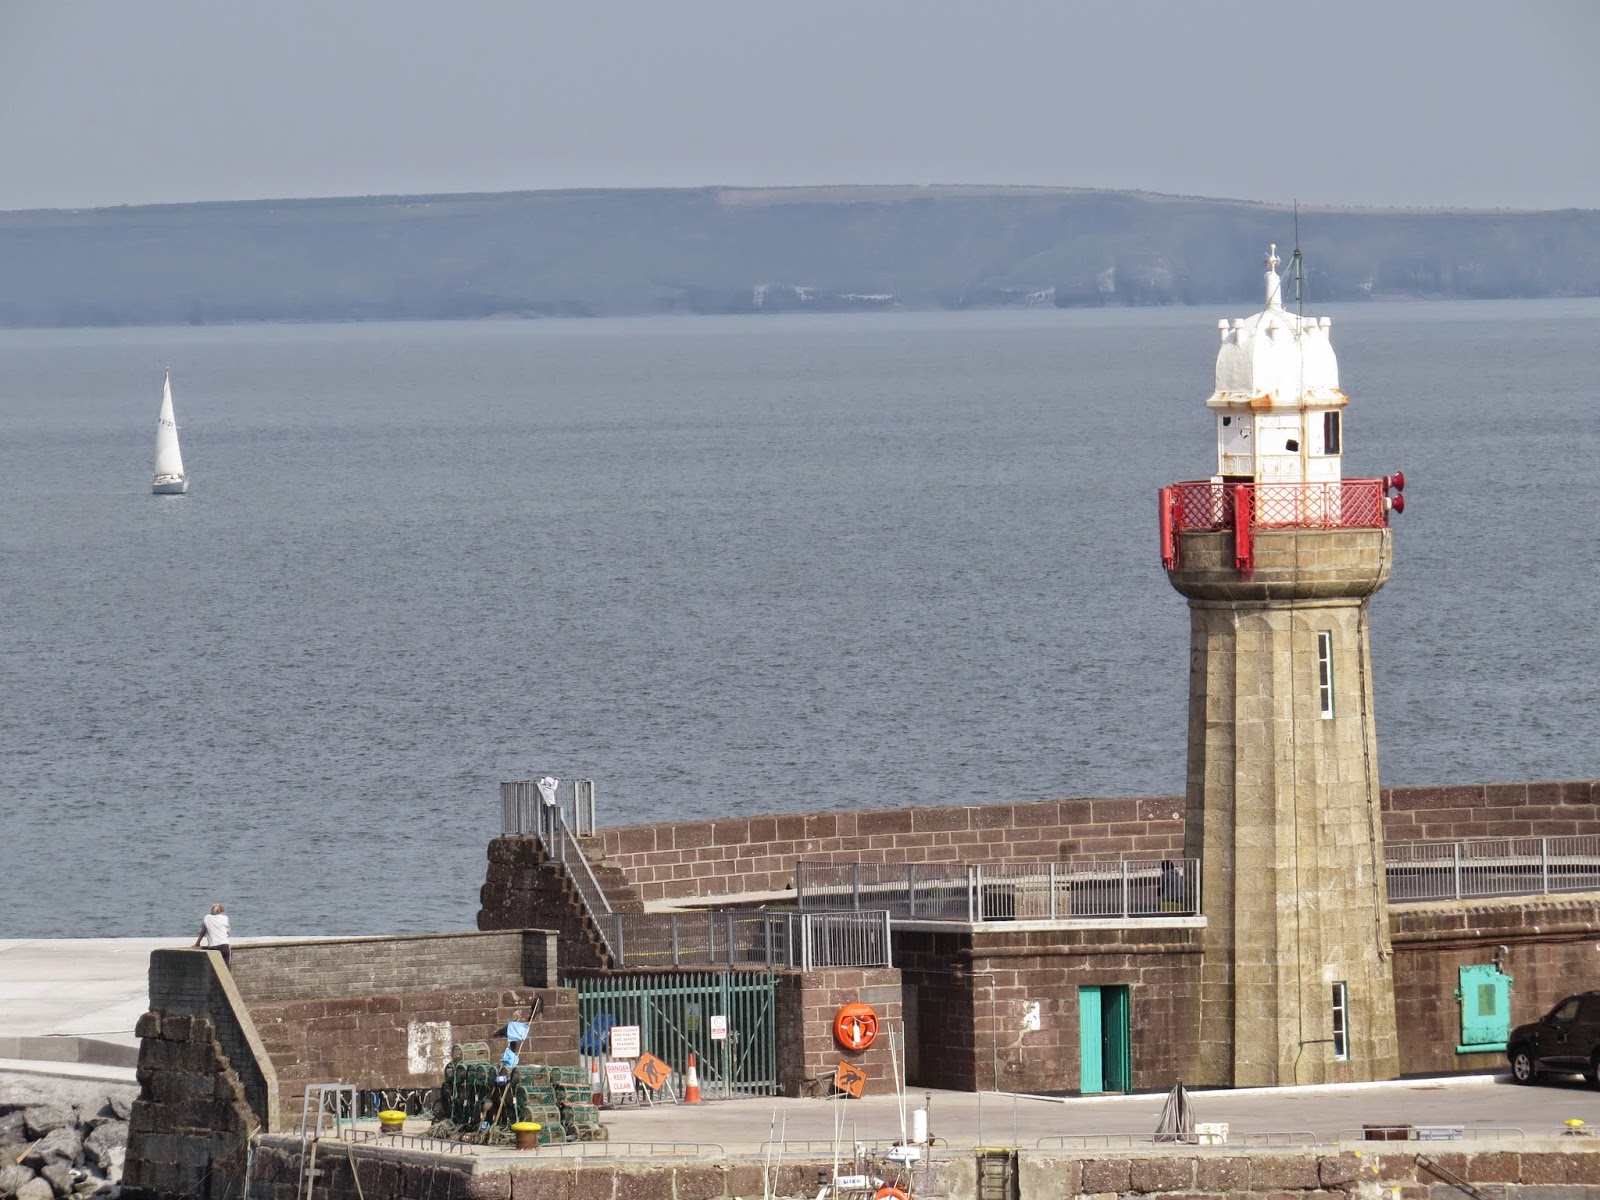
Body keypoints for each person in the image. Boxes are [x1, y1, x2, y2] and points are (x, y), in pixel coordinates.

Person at [193, 903, 231, 967]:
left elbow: (203, 932)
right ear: (221, 911)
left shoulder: (206, 918)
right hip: (224, 946)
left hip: (213, 947)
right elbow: (228, 932)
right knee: (226, 969)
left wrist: (197, 943)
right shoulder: (225, 918)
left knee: (214, 969)